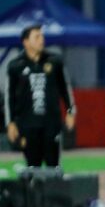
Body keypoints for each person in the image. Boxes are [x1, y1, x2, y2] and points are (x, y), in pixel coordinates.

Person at [5, 25, 76, 167]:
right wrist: (10, 123)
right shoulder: (15, 66)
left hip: (51, 124)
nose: (41, 40)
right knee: (32, 167)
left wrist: (70, 112)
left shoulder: (55, 61)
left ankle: (54, 189)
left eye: (42, 36)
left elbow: (65, 89)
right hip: (27, 126)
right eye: (37, 37)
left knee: (53, 167)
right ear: (25, 42)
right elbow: (9, 97)